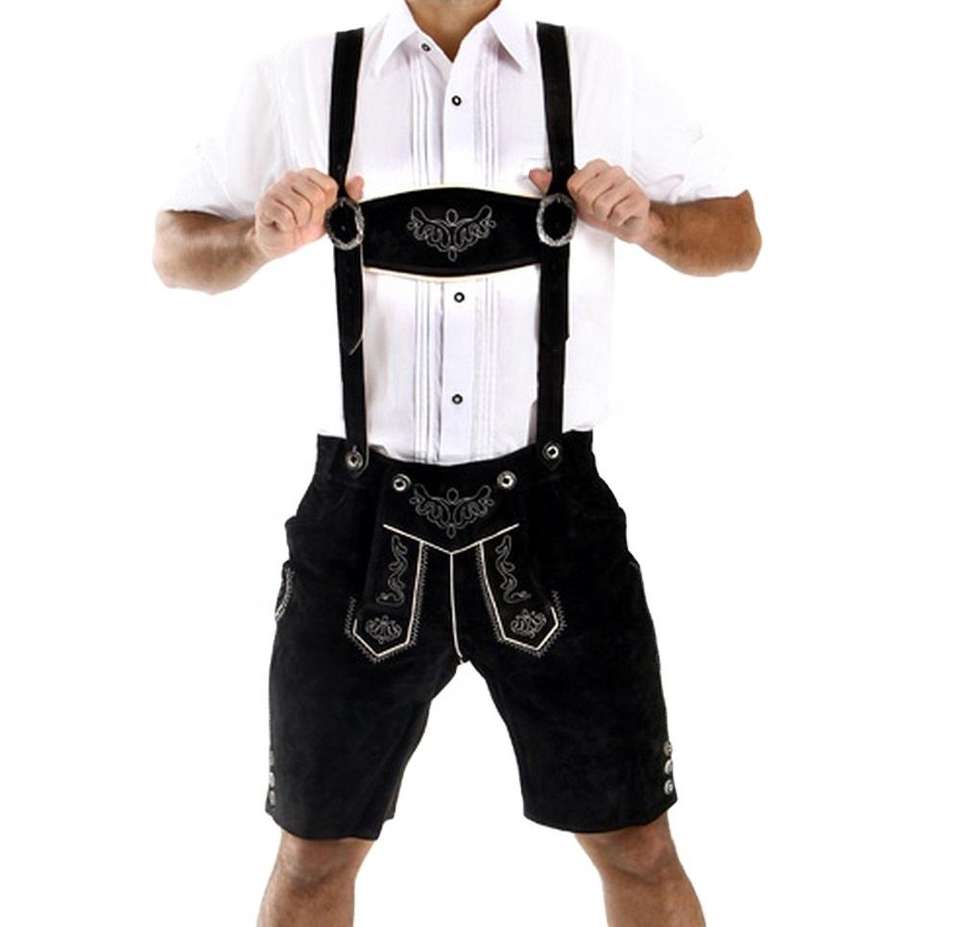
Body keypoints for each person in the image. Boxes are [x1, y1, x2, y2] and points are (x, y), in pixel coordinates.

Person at [153, 1, 761, 924]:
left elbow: (740, 233)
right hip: (360, 521)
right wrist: (252, 240)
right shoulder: (301, 75)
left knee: (640, 845)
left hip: (555, 511)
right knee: (311, 855)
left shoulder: (595, 68)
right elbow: (172, 249)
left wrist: (650, 224)